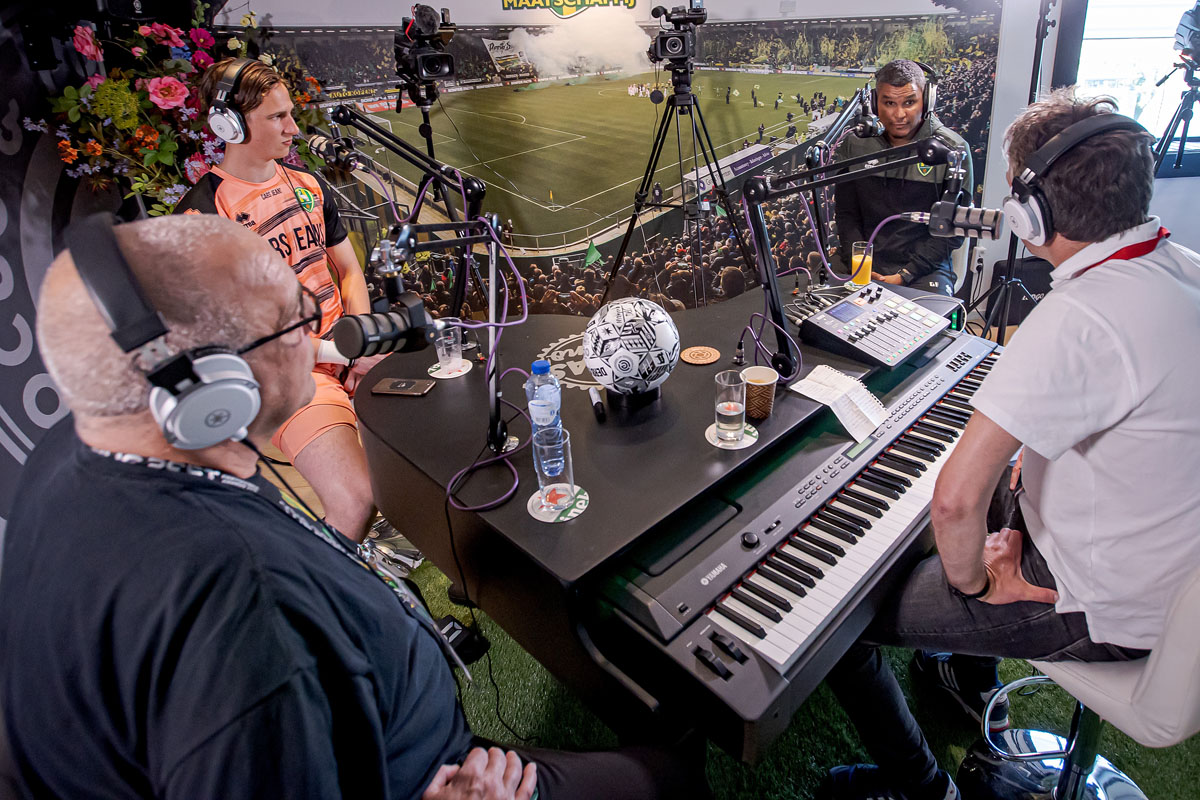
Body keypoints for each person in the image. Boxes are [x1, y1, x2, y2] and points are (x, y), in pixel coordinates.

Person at [0, 214, 712, 800]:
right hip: (436, 779)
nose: (319, 341)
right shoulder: (246, 609)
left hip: (390, 747)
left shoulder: (73, 453)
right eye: (293, 322)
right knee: (667, 770)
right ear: (213, 388)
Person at [820, 88, 1200, 799]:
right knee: (1000, 487)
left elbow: (955, 506)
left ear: (1032, 214)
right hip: (1165, 570)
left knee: (842, 621)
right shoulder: (1184, 269)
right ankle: (968, 674)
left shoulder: (1079, 314)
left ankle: (922, 787)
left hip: (1104, 603)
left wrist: (978, 581)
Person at [175, 58, 377, 542]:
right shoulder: (202, 216)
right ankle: (324, 603)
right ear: (229, 124)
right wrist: (335, 353)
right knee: (355, 499)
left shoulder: (307, 184)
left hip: (348, 348)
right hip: (289, 376)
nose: (292, 127)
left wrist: (362, 337)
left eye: (290, 113)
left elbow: (348, 270)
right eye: (276, 117)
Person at [833, 59, 971, 295]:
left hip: (924, 268)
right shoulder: (854, 145)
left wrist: (906, 274)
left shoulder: (952, 149)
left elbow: (953, 229)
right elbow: (847, 215)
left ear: (927, 100)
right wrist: (861, 261)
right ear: (876, 103)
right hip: (863, 261)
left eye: (909, 102)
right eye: (889, 103)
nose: (899, 114)